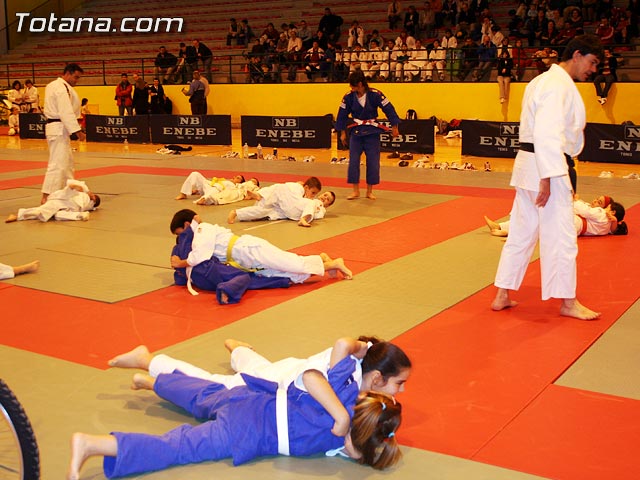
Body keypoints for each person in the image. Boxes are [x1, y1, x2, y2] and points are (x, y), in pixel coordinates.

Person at [66, 353, 402, 479]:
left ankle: (150, 379)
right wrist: (340, 418)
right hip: (246, 427)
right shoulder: (337, 408)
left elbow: (359, 451)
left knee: (201, 396)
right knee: (182, 446)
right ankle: (95, 445)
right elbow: (315, 374)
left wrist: (362, 436)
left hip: (250, 400)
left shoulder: (340, 441)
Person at [491, 35, 603, 321]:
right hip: (547, 168)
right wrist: (549, 177)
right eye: (592, 62)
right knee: (562, 237)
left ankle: (502, 294)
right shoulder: (557, 86)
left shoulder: (540, 81)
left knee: (521, 232)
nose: (593, 70)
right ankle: (568, 301)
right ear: (577, 55)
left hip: (528, 165)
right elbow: (546, 132)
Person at [107, 336, 412, 397]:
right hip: (273, 387)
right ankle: (148, 360)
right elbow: (343, 344)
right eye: (398, 383)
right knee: (215, 384)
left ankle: (237, 348)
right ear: (375, 378)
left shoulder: (362, 369)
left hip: (286, 371)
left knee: (257, 365)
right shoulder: (344, 379)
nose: (402, 390)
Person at [169, 209, 353, 283]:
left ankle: (334, 262)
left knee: (289, 264)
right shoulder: (200, 232)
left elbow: (200, 256)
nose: (182, 238)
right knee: (285, 274)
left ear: (186, 225)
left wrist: (180, 263)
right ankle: (326, 261)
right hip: (243, 260)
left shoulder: (202, 229)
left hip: (248, 249)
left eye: (180, 233)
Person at [335, 71, 401, 200]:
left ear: (360, 84)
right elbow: (342, 114)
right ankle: (355, 190)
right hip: (356, 132)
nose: (351, 88)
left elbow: (389, 109)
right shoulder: (348, 97)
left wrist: (395, 127)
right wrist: (342, 133)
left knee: (373, 161)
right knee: (353, 161)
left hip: (372, 132)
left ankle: (369, 191)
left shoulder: (376, 94)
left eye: (353, 86)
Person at [41, 63, 86, 205]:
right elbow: (65, 110)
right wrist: (78, 132)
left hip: (60, 128)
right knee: (58, 164)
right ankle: (46, 197)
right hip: (58, 127)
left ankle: (67, 193)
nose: (76, 81)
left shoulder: (58, 86)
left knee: (67, 163)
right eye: (75, 77)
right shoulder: (59, 87)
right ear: (68, 73)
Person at [485, 196, 627, 237]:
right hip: (575, 226)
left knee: (541, 217)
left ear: (612, 211)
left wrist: (574, 200)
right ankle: (504, 228)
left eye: (603, 204)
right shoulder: (608, 226)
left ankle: (507, 230)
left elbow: (586, 211)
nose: (597, 203)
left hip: (575, 222)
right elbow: (614, 230)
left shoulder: (603, 215)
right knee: (542, 224)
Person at [6, 179, 100, 223]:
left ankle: (22, 214)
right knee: (57, 214)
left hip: (69, 201)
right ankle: (80, 215)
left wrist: (87, 192)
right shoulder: (88, 200)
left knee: (54, 209)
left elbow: (81, 187)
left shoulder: (89, 198)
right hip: (73, 204)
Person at [174, 172, 247, 202]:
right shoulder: (226, 181)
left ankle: (203, 199)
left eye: (238, 178)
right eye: (236, 176)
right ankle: (183, 194)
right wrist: (198, 191)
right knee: (195, 174)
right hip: (209, 184)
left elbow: (244, 188)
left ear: (240, 182)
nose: (235, 177)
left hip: (216, 190)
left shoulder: (235, 187)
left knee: (214, 191)